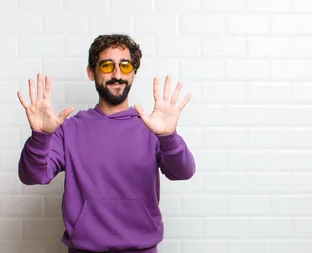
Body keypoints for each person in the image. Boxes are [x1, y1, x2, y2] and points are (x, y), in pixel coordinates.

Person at [17, 34, 196, 253]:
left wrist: (169, 137)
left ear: (134, 72)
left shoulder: (152, 127)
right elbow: (32, 176)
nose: (117, 74)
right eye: (107, 65)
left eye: (125, 66)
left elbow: (183, 172)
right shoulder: (69, 129)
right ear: (91, 72)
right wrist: (40, 136)